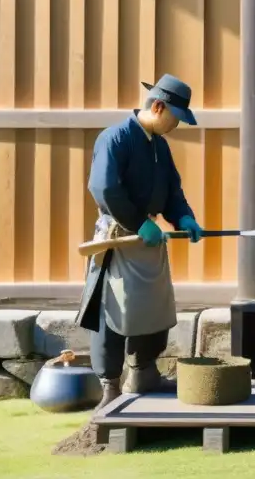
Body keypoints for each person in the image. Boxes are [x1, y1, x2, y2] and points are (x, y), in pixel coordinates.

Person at [74, 74, 205, 411]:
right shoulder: (114, 138)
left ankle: (144, 371)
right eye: (175, 117)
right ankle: (110, 385)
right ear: (158, 107)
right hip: (119, 238)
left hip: (149, 241)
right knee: (114, 312)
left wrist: (184, 217)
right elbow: (103, 188)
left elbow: (172, 191)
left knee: (154, 307)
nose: (176, 125)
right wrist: (139, 223)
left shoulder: (159, 145)